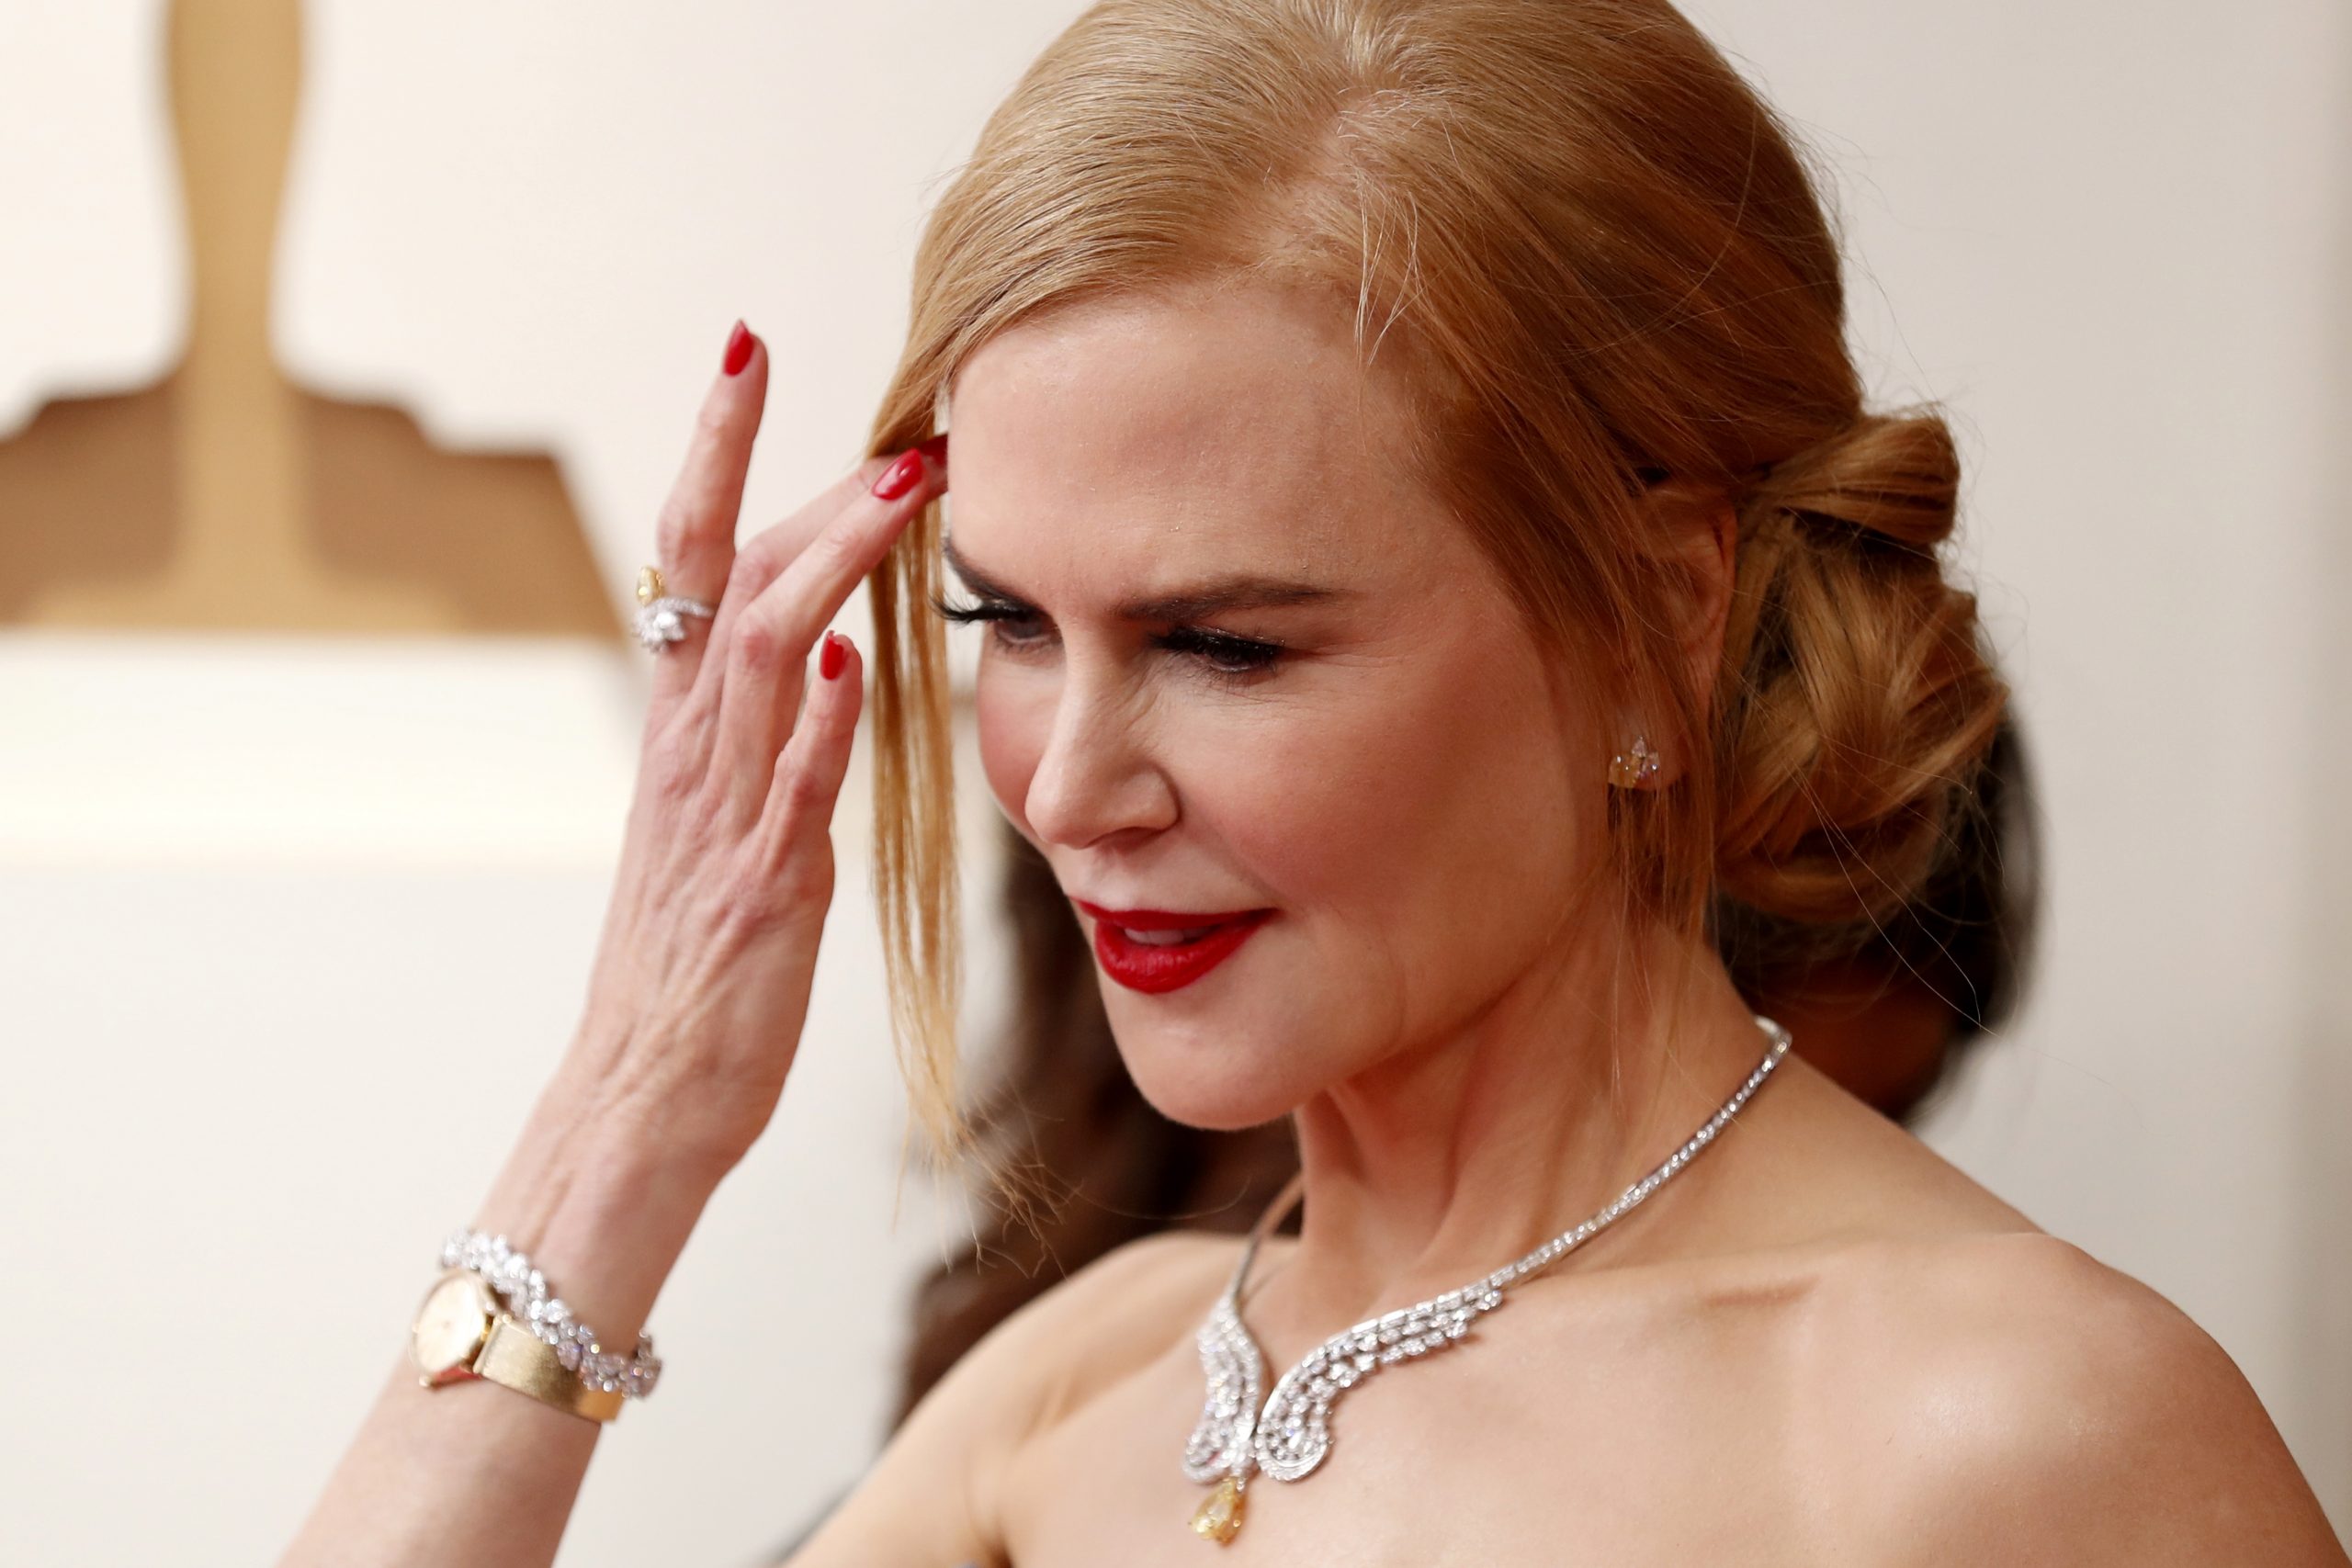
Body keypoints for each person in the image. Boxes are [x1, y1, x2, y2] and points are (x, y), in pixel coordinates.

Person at [277, 1, 2349, 1562]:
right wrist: (624, 1118)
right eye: (1006, 621)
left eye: (1226, 645)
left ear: (1657, 613)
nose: (1065, 789)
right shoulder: (1077, 1392)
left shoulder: (2009, 1436)